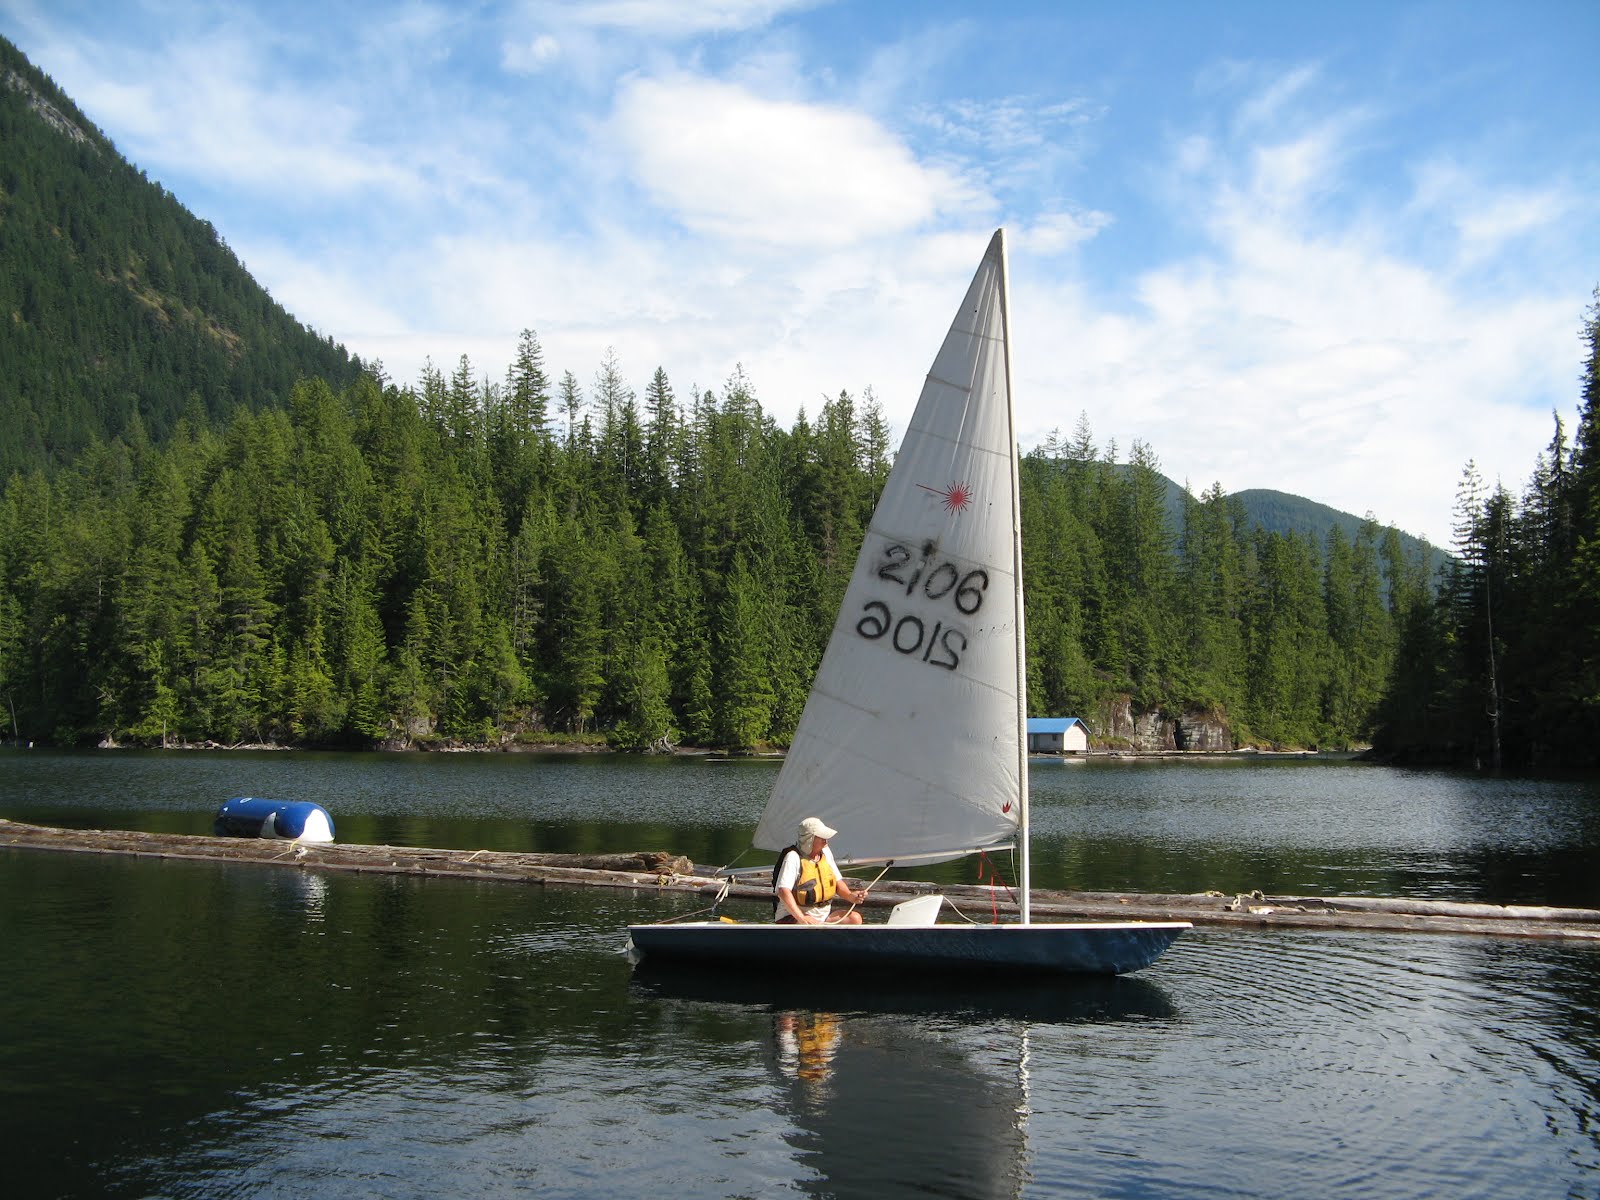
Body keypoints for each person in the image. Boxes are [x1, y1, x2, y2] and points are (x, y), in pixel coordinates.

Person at [773, 817, 869, 925]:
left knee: (854, 919)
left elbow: (837, 881)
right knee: (814, 926)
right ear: (809, 839)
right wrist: (802, 918)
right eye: (822, 838)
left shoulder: (825, 852)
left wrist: (851, 896)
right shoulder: (793, 857)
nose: (826, 841)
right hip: (793, 917)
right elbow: (783, 892)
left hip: (823, 918)